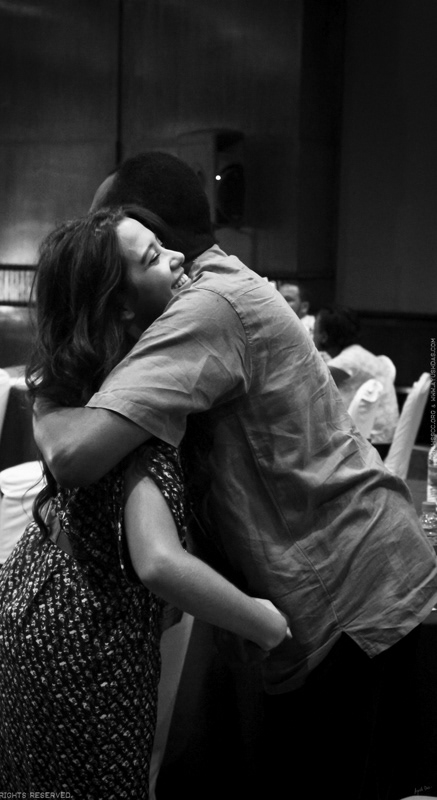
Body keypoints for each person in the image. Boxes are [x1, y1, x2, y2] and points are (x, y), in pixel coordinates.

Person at [33, 152, 437, 800]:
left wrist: (45, 389)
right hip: (343, 571)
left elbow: (73, 453)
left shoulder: (206, 307)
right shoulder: (213, 286)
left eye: (109, 229)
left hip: (349, 592)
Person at [0, 206, 289, 799]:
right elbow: (158, 562)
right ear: (120, 307)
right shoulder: (133, 410)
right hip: (77, 639)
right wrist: (265, 623)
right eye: (153, 257)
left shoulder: (86, 384)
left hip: (24, 605)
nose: (177, 257)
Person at [314, 304, 400, 457]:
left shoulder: (347, 361)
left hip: (369, 445)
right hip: (383, 441)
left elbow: (307, 384)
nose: (310, 335)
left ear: (324, 336)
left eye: (313, 330)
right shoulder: (357, 354)